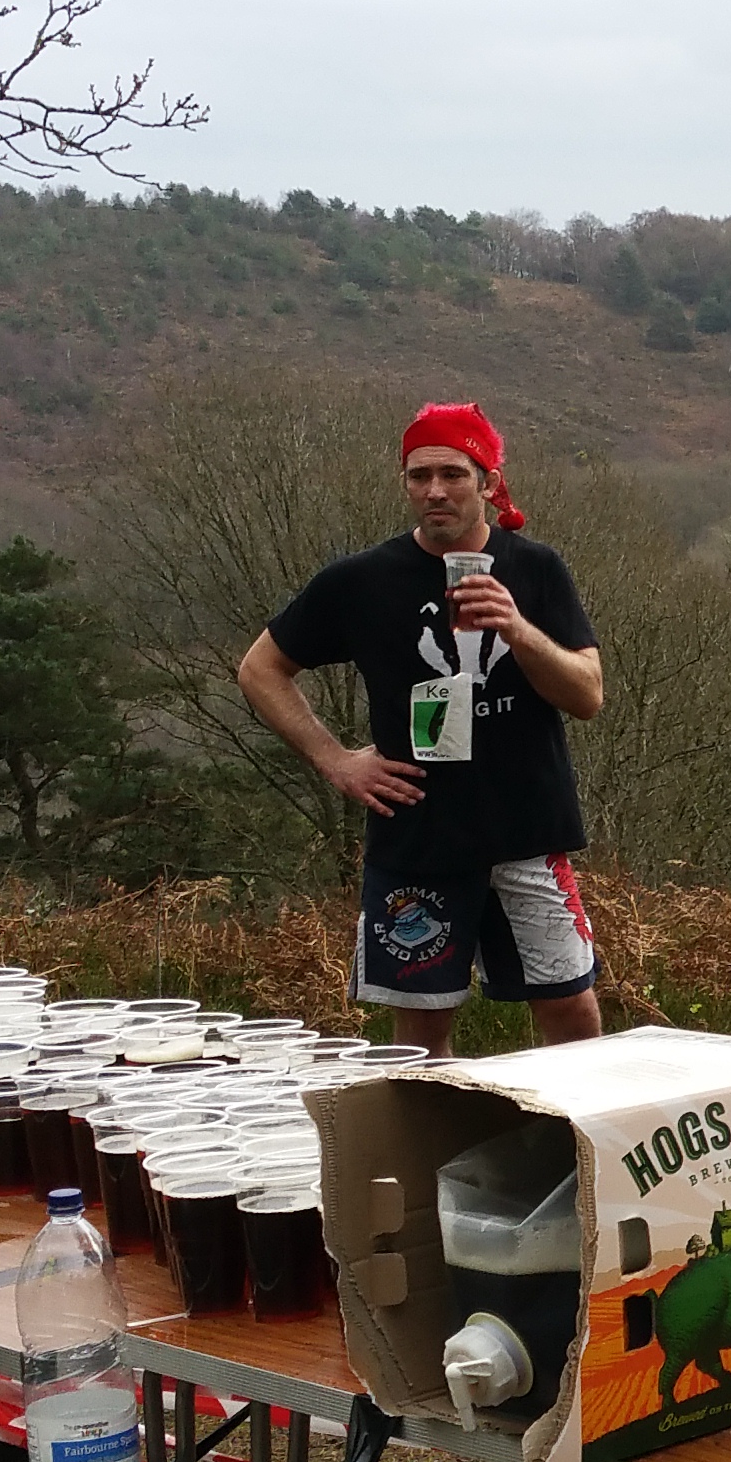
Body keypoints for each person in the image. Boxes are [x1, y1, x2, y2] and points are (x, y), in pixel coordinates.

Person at [238, 402, 607, 1057]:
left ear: (488, 482)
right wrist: (335, 760)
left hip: (529, 832)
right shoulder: (359, 581)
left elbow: (587, 695)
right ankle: (429, 1160)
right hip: (416, 836)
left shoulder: (535, 568)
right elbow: (261, 668)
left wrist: (517, 630)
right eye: (419, 476)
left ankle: (568, 1156)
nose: (434, 490)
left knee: (572, 1011)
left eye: (452, 473)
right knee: (419, 1033)